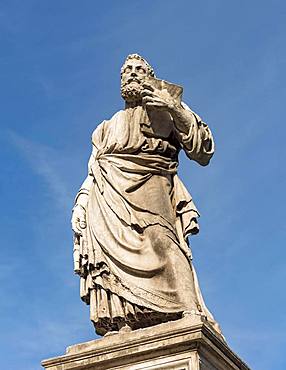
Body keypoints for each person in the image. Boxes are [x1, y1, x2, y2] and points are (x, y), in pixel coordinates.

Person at [71, 54, 221, 336]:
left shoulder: (166, 106)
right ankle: (123, 319)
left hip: (152, 186)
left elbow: (203, 150)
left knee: (163, 241)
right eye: (126, 70)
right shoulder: (105, 127)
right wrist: (80, 204)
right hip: (105, 196)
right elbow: (93, 169)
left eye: (139, 69)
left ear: (150, 74)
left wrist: (174, 108)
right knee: (107, 259)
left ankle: (188, 310)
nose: (132, 73)